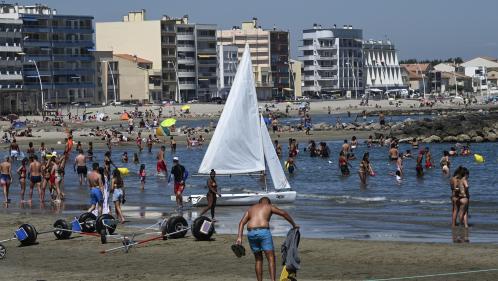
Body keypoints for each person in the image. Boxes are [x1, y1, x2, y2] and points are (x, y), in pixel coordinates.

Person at [236, 197, 298, 281]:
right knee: (271, 259)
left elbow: (241, 223)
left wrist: (239, 238)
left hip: (251, 233)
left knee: (258, 259)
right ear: (269, 202)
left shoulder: (251, 208)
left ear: (259, 202)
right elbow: (284, 213)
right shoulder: (269, 206)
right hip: (263, 232)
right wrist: (294, 224)